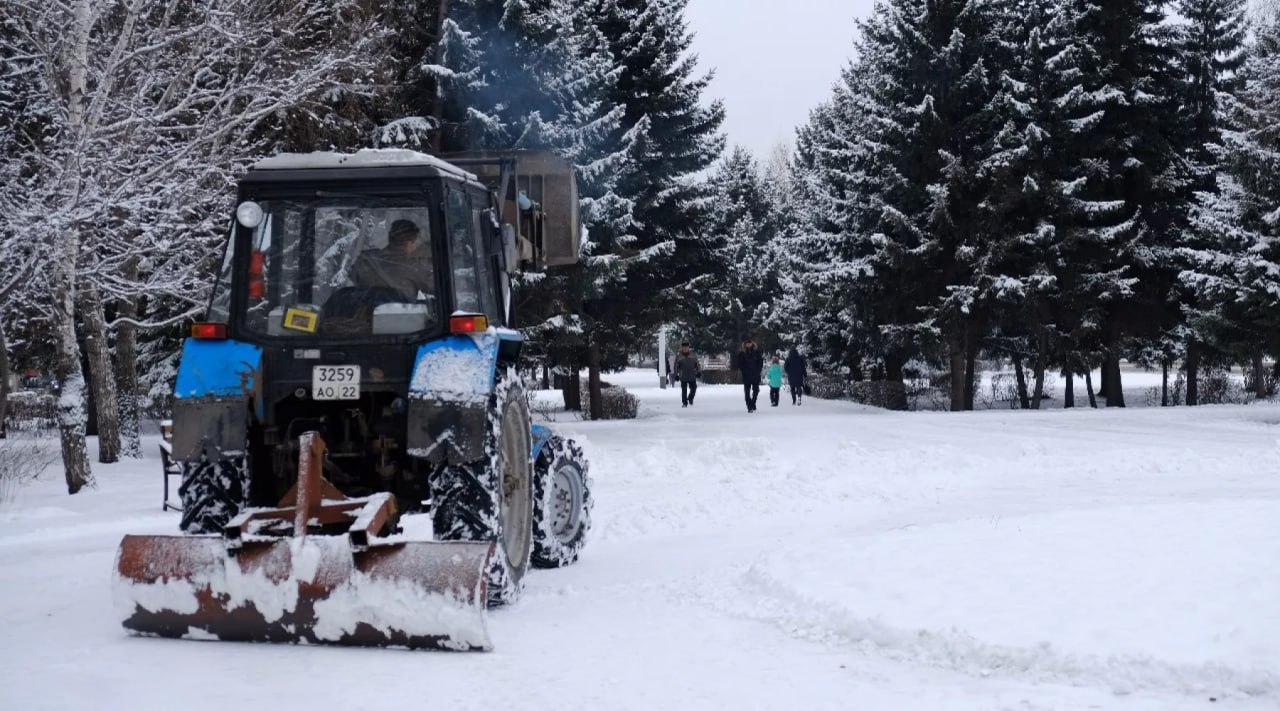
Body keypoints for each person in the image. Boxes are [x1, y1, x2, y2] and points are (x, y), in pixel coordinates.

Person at [352, 219, 434, 301]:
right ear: (409, 244)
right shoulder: (414, 267)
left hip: (366, 312)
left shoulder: (366, 258)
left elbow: (353, 276)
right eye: (418, 241)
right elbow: (437, 287)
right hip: (401, 313)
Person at [734, 336, 764, 412]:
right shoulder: (742, 353)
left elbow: (760, 362)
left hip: (756, 374)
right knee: (747, 392)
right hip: (746, 375)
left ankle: (753, 403)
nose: (748, 345)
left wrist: (758, 370)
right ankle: (749, 406)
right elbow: (739, 364)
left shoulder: (756, 352)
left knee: (756, 391)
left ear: (752, 344)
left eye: (750, 343)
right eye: (747, 343)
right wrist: (743, 370)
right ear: (745, 344)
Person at [673, 342, 701, 407]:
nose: (685, 349)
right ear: (682, 348)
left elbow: (697, 364)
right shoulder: (679, 356)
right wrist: (676, 375)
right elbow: (675, 366)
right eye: (684, 347)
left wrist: (699, 371)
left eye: (686, 347)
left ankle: (690, 398)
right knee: (684, 390)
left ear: (688, 348)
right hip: (683, 375)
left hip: (692, 374)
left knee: (694, 388)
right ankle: (684, 402)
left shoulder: (693, 355)